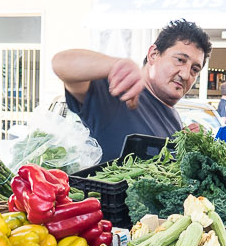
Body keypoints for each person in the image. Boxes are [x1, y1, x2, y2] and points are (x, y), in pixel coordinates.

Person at [51, 19, 212, 162]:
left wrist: (194, 145)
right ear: (153, 54)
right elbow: (61, 63)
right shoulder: (121, 92)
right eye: (180, 60)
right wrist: (115, 65)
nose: (185, 74)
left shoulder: (175, 118)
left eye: (194, 69)